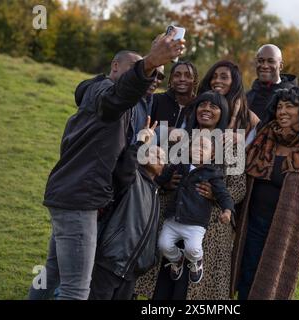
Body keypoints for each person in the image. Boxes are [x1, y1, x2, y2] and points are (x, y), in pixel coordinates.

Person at [28, 30, 185, 300]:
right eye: (145, 71)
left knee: (52, 272)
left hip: (74, 196)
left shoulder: (125, 106)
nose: (154, 79)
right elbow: (116, 98)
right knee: (76, 290)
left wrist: (141, 143)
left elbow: (121, 157)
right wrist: (147, 62)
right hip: (80, 199)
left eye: (159, 76)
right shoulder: (103, 92)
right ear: (115, 66)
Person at [134, 90, 247, 300]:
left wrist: (216, 195)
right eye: (202, 104)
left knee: (190, 292)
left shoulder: (232, 144)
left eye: (213, 106)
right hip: (173, 215)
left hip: (208, 226)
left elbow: (239, 188)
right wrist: (166, 181)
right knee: (163, 286)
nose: (206, 109)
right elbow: (158, 170)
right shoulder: (180, 138)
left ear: (223, 113)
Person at [231, 86, 299, 300]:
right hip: (252, 222)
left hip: (286, 230)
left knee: (271, 285)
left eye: (290, 106)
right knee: (245, 277)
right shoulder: (264, 137)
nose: (282, 111)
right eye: (279, 107)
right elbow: (239, 174)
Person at [89, 117, 166, 300]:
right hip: (110, 263)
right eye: (151, 152)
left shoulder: (155, 193)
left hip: (132, 272)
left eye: (161, 157)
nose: (155, 155)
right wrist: (140, 142)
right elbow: (125, 168)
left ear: (163, 169)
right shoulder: (131, 179)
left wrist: (150, 260)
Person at [157, 126, 234, 285]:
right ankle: (177, 259)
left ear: (212, 154)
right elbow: (163, 177)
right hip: (174, 218)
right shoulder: (180, 165)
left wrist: (227, 211)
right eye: (195, 145)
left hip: (195, 222)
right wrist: (157, 180)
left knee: (193, 249)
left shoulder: (213, 174)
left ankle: (196, 261)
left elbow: (223, 194)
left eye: (204, 147)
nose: (199, 149)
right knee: (163, 245)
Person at [197, 60, 259, 141]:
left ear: (234, 82)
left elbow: (253, 149)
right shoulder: (200, 109)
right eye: (214, 77)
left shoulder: (248, 118)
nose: (217, 81)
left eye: (224, 77)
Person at [247, 44, 298, 120]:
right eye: (260, 61)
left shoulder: (295, 98)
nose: (264, 66)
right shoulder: (246, 97)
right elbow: (236, 127)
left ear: (280, 66)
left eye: (271, 61)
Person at [151, 61, 199, 129]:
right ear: (171, 80)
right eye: (177, 75)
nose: (182, 79)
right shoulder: (155, 100)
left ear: (195, 81)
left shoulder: (198, 106)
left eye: (188, 76)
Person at [128, 65, 165, 145]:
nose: (155, 80)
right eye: (152, 74)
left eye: (160, 76)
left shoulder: (150, 99)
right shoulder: (128, 99)